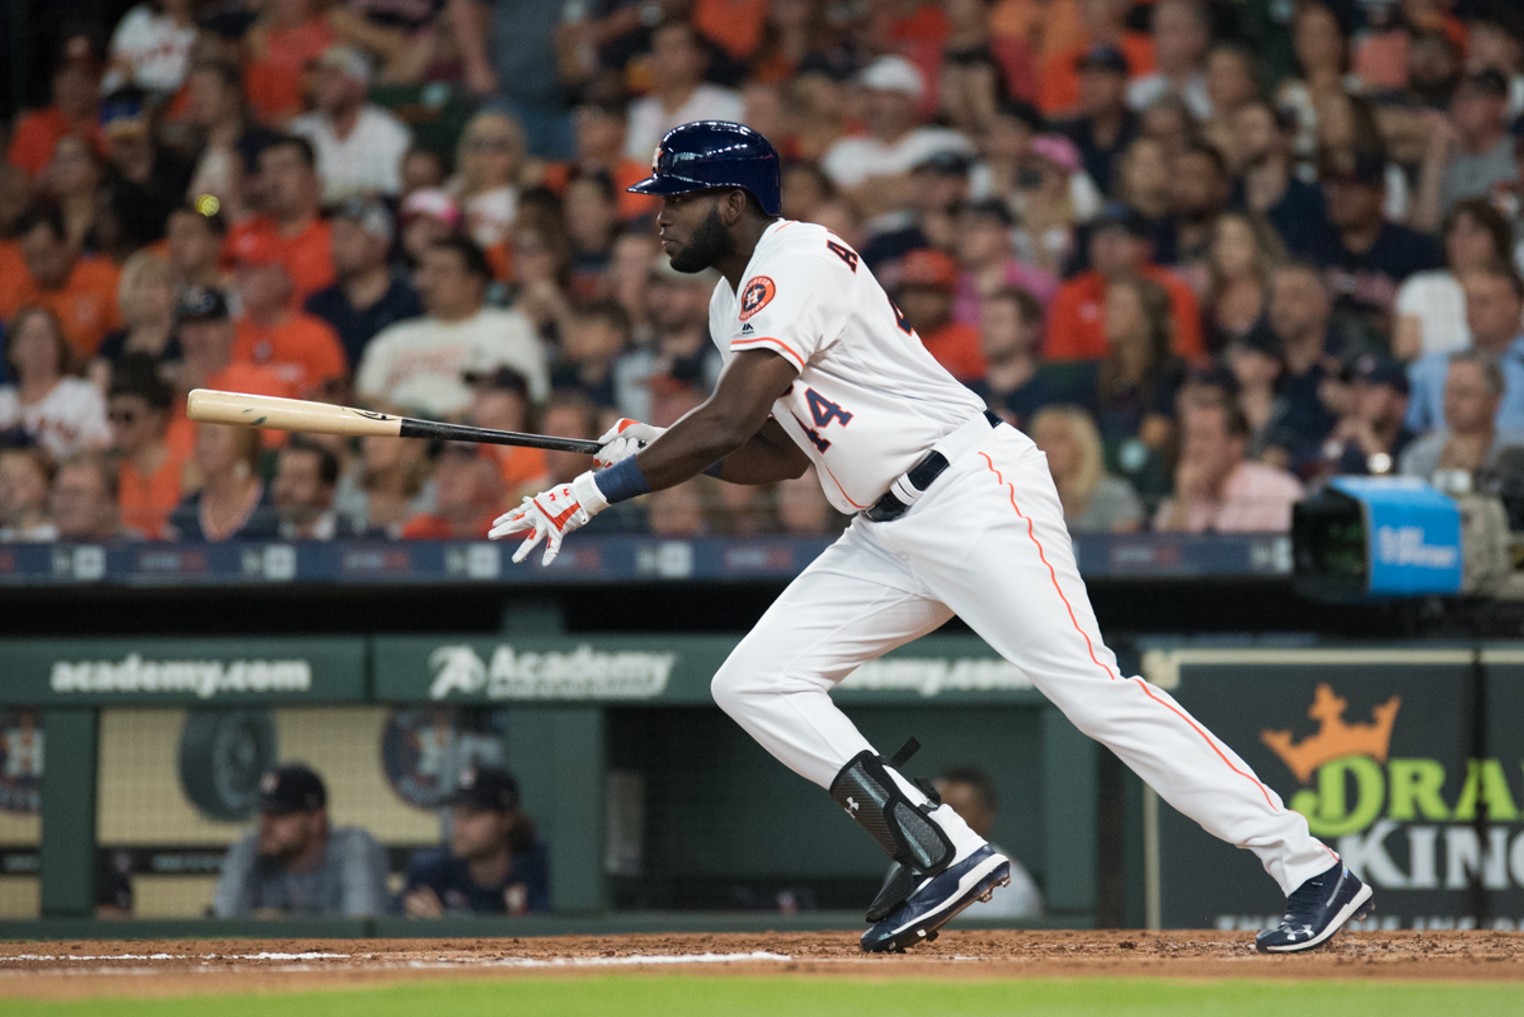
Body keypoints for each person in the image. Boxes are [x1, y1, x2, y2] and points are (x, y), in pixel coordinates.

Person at [490, 121, 1372, 954]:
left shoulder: (794, 257)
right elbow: (773, 457)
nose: (658, 214)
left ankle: (1311, 867)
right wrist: (651, 449)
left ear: (730, 200)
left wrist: (592, 494)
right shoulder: (732, 307)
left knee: (1094, 692)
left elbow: (724, 422)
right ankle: (943, 845)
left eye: (675, 196)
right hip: (885, 530)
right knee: (755, 680)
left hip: (971, 492)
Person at [355, 236, 548, 419]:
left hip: (472, 440)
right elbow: (364, 399)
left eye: (442, 272)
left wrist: (451, 422)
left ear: (474, 281)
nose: (427, 282)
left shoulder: (509, 327)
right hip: (398, 438)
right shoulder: (394, 336)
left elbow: (529, 396)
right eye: (425, 271)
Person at [212, 763, 388, 919]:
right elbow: (224, 924)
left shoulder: (352, 847)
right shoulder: (251, 848)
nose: (265, 826)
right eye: (263, 813)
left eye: (280, 815)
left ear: (316, 820)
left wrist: (285, 925)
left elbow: (362, 926)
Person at [400, 764, 550, 917]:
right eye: (456, 814)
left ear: (506, 819)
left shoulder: (542, 869)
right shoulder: (430, 872)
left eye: (471, 814)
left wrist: (445, 927)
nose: (458, 826)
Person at [1153, 397, 1305, 533]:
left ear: (1235, 444)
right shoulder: (1183, 493)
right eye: (1189, 436)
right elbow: (1162, 557)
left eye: (1204, 436)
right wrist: (1183, 499)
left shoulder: (1277, 490)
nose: (1193, 447)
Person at [305, 198, 423, 372]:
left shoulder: (411, 301)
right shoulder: (319, 304)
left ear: (379, 244)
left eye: (347, 237)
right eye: (334, 238)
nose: (336, 248)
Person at [1407, 265, 1524, 435]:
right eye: (1469, 301)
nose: (1473, 310)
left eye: (1484, 302)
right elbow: (1409, 433)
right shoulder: (1432, 367)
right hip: (1446, 458)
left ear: (1515, 305)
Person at [289, 45, 413, 203]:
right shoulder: (300, 130)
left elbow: (392, 193)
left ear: (359, 85)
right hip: (312, 222)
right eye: (319, 75)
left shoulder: (388, 132)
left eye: (332, 75)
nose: (320, 83)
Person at [224, 135, 336, 308]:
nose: (274, 181)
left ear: (314, 178)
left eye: (284, 168)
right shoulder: (242, 232)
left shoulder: (334, 239)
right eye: (267, 171)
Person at [0, 305, 110, 461]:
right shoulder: (3, 400)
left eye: (45, 336)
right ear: (12, 350)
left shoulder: (84, 394)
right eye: (28, 337)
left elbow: (101, 447)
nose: (37, 344)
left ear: (59, 344)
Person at [933, 767, 1044, 919]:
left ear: (986, 817)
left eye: (955, 810)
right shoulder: (907, 866)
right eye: (938, 809)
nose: (942, 819)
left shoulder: (1011, 887)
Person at [1400, 352, 1524, 486]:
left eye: (1464, 393)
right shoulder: (1420, 455)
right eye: (1448, 392)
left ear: (1494, 400)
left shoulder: (1517, 453)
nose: (1451, 403)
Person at [1029, 405, 1144, 533]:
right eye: (1042, 439)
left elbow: (1124, 548)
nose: (1048, 448)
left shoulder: (1114, 493)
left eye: (1059, 439)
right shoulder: (1031, 498)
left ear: (1083, 444)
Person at [51, 452, 134, 542]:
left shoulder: (138, 548)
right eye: (60, 492)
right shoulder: (37, 543)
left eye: (76, 493)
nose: (64, 502)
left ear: (108, 501)